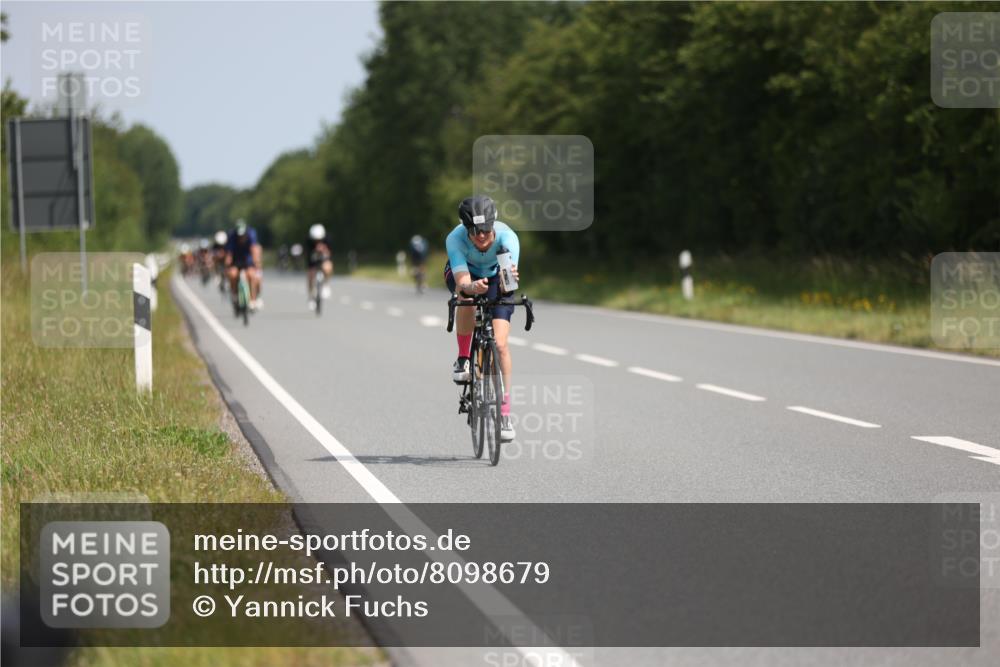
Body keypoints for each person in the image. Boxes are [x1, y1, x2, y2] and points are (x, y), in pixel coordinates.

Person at [444, 195, 520, 442]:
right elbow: (462, 282)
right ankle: (464, 359)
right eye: (474, 231)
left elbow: (508, 285)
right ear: (465, 228)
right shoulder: (455, 240)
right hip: (465, 273)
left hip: (497, 276)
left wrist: (509, 277)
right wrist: (471, 287)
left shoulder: (508, 238)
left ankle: (506, 414)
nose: (481, 235)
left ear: (493, 224)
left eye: (486, 229)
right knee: (465, 298)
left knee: (500, 344)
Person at [225, 219, 263, 311]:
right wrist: (227, 263)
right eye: (239, 235)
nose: (241, 237)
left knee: (251, 275)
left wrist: (256, 262)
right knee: (233, 274)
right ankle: (234, 294)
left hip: (247, 258)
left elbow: (254, 249)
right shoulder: (232, 236)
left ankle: (252, 299)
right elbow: (229, 253)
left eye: (243, 235)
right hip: (236, 258)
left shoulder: (251, 234)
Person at [305, 224, 334, 310]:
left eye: (319, 240)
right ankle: (311, 296)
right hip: (312, 259)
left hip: (324, 258)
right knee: (310, 275)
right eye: (315, 240)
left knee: (327, 267)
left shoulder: (327, 239)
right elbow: (306, 255)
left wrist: (324, 250)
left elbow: (330, 255)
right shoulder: (308, 241)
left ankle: (326, 285)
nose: (317, 241)